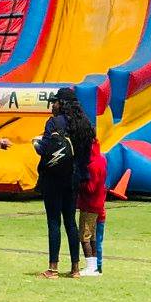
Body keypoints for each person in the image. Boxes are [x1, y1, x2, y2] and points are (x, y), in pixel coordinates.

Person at [36, 85, 93, 278]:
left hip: (53, 177)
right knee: (70, 222)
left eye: (55, 102)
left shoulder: (54, 123)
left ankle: (53, 268)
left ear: (61, 103)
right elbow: (87, 156)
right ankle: (75, 268)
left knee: (54, 221)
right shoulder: (85, 124)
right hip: (74, 178)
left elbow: (45, 149)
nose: (52, 105)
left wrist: (36, 144)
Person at [79, 135, 108, 275]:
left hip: (89, 205)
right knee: (94, 237)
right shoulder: (102, 160)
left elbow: (90, 188)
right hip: (98, 205)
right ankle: (96, 266)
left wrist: (78, 182)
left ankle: (90, 266)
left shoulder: (92, 165)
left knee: (84, 236)